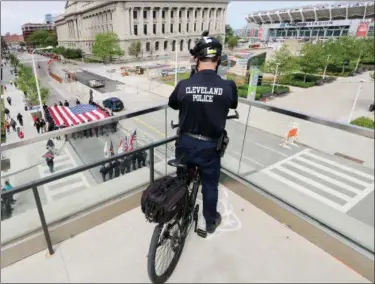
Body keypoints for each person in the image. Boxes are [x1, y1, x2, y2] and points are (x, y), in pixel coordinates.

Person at [168, 33, 238, 234]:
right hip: (209, 148)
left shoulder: (184, 85)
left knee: (182, 180)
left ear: (196, 59)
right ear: (218, 60)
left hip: (185, 144)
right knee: (210, 186)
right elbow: (232, 103)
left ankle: (177, 210)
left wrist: (192, 81)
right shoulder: (228, 86)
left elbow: (173, 104)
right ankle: (210, 222)